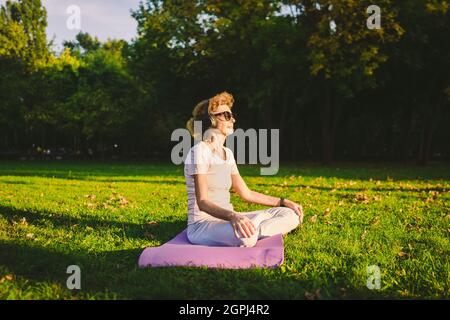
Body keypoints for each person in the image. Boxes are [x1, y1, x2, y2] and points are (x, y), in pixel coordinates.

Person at [185, 91, 304, 247]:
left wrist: (283, 202)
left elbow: (246, 193)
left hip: (229, 219)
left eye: (232, 115)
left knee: (290, 214)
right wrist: (233, 216)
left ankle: (253, 231)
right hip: (203, 225)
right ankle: (254, 232)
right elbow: (203, 202)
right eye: (226, 115)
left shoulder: (227, 154)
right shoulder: (199, 151)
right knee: (247, 237)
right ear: (211, 119)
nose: (233, 119)